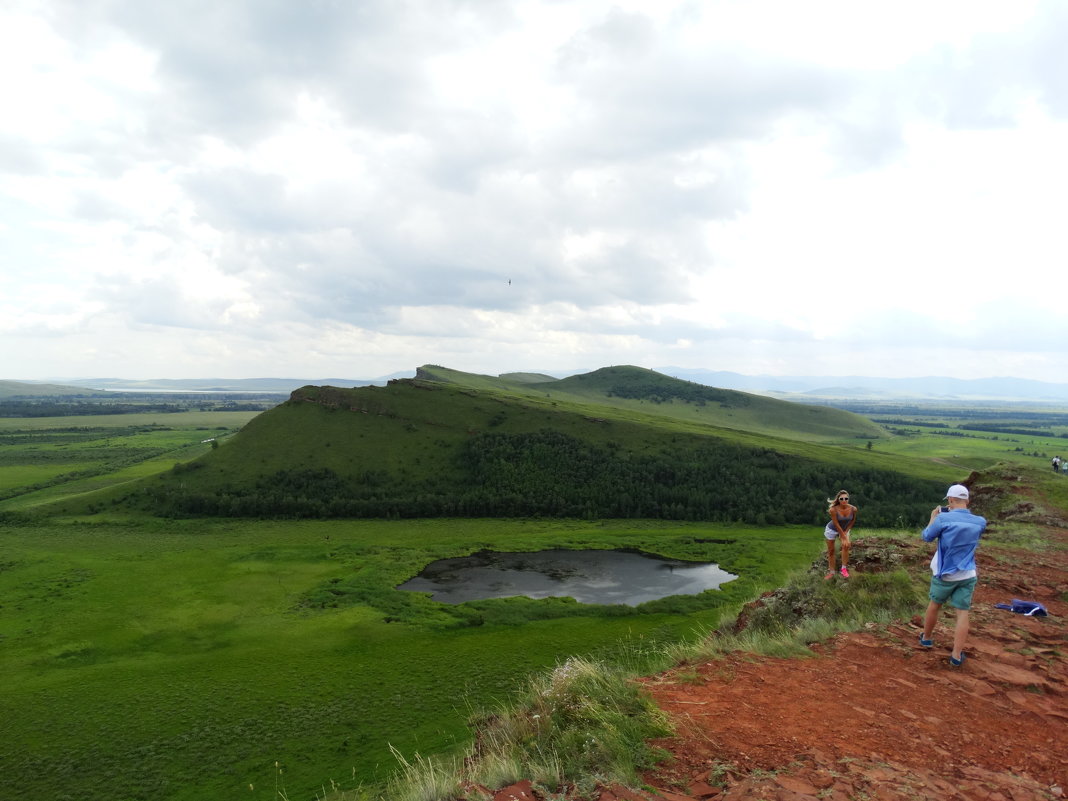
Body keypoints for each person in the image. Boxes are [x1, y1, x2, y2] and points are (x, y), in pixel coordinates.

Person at [919, 483, 986, 667]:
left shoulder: (943, 520)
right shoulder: (980, 521)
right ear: (967, 500)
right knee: (962, 613)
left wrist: (933, 518)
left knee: (934, 605)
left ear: (950, 500)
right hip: (968, 574)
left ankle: (926, 638)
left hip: (944, 574)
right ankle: (956, 655)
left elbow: (926, 536)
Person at [823, 490, 857, 579]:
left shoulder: (853, 509)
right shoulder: (833, 510)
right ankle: (831, 572)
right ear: (838, 499)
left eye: (846, 498)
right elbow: (836, 524)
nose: (844, 500)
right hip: (832, 529)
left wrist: (846, 532)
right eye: (842, 499)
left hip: (845, 529)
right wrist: (843, 536)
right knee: (831, 551)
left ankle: (844, 569)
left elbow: (852, 521)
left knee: (846, 546)